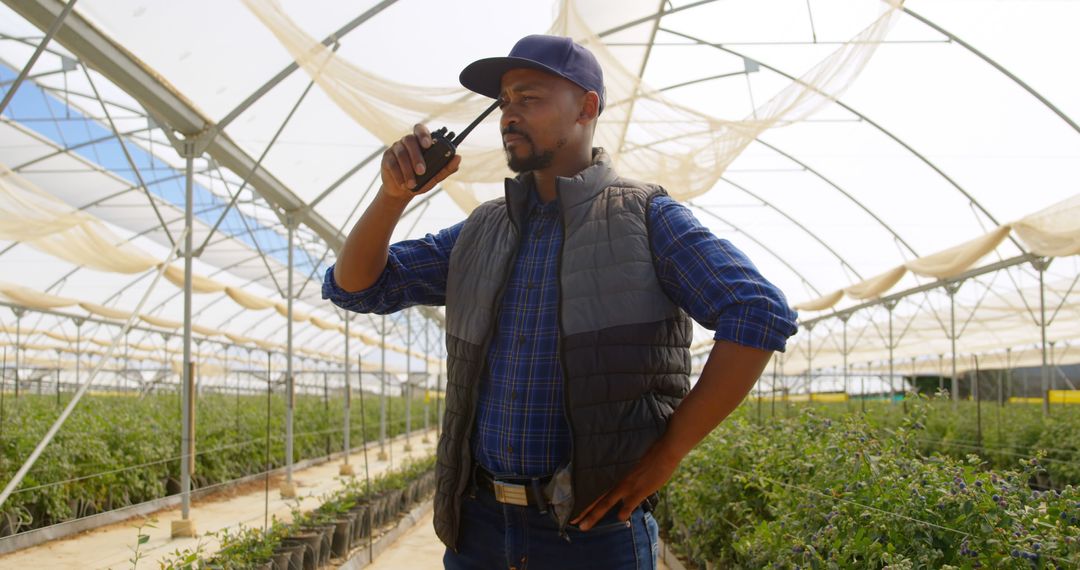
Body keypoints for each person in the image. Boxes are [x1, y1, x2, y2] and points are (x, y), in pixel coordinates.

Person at [324, 34, 798, 570]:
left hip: (591, 536)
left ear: (587, 107)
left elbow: (758, 312)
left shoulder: (645, 219)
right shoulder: (482, 230)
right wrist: (393, 196)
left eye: (529, 98)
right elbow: (358, 286)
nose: (509, 116)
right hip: (476, 527)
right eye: (504, 102)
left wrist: (665, 458)